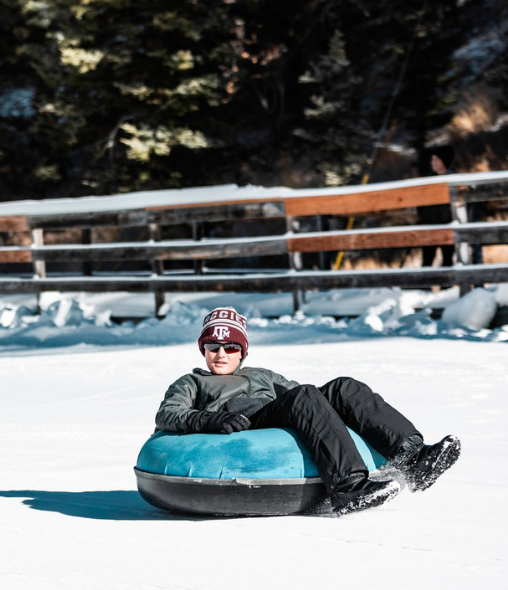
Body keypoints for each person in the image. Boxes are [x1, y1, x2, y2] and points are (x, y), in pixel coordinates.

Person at [154, 307, 461, 515]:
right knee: (303, 396)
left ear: (242, 351)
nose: (221, 355)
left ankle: (413, 458)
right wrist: (211, 418)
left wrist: (334, 404)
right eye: (213, 348)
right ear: (203, 350)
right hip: (243, 424)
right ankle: (348, 487)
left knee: (343, 386)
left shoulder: (262, 375)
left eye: (230, 348)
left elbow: (307, 395)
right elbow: (167, 414)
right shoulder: (193, 381)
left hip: (274, 416)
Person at [417, 147, 456, 267]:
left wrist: (449, 218)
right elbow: (420, 202)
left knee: (447, 260)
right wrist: (424, 218)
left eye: (437, 159)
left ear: (445, 161)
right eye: (432, 159)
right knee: (427, 261)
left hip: (448, 226)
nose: (433, 163)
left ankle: (446, 280)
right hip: (430, 226)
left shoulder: (455, 180)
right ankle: (425, 280)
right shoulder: (428, 181)